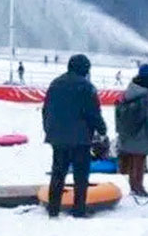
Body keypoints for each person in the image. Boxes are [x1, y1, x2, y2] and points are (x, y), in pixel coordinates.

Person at [42, 53, 107, 218]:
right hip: (81, 139)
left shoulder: (55, 84)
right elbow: (93, 113)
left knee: (58, 173)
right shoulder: (86, 87)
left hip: (57, 138)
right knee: (80, 176)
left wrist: (49, 130)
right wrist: (102, 129)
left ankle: (53, 209)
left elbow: (46, 110)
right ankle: (79, 210)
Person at [114, 63, 148, 197]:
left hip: (128, 131)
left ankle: (134, 186)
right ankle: (139, 187)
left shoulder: (130, 90)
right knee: (140, 160)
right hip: (142, 132)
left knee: (132, 159)